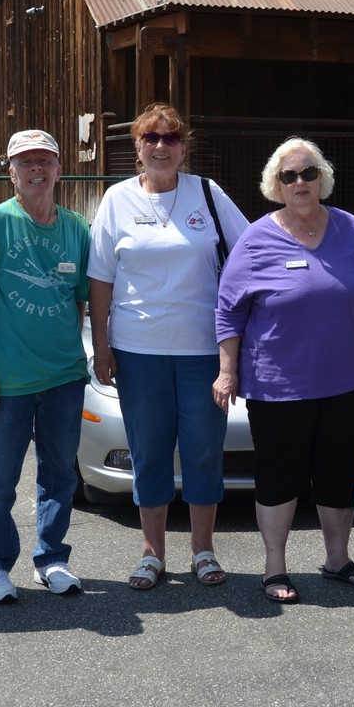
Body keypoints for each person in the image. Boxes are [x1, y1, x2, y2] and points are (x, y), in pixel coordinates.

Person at [214, 137, 354, 604]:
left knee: (338, 471)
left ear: (322, 179)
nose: (300, 182)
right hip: (278, 384)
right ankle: (275, 567)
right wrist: (227, 371)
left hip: (349, 378)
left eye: (308, 173)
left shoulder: (351, 229)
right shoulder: (256, 238)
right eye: (289, 176)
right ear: (276, 184)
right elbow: (229, 311)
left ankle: (338, 560)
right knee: (279, 475)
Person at [88, 103, 250, 591]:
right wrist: (102, 347)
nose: (161, 146)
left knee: (203, 453)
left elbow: (247, 254)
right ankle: (152, 553)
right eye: (151, 137)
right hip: (138, 351)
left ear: (184, 147)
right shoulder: (116, 199)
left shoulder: (208, 193)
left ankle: (203, 550)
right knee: (150, 452)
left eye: (171, 138)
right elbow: (100, 280)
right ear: (137, 146)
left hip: (203, 351)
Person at [0, 129, 92, 603]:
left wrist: (68, 354)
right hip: (8, 381)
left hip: (64, 378)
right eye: (25, 163)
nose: (36, 170)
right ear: (11, 172)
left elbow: (78, 301)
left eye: (45, 161)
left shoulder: (77, 228)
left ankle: (52, 558)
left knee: (60, 475)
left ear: (59, 168)